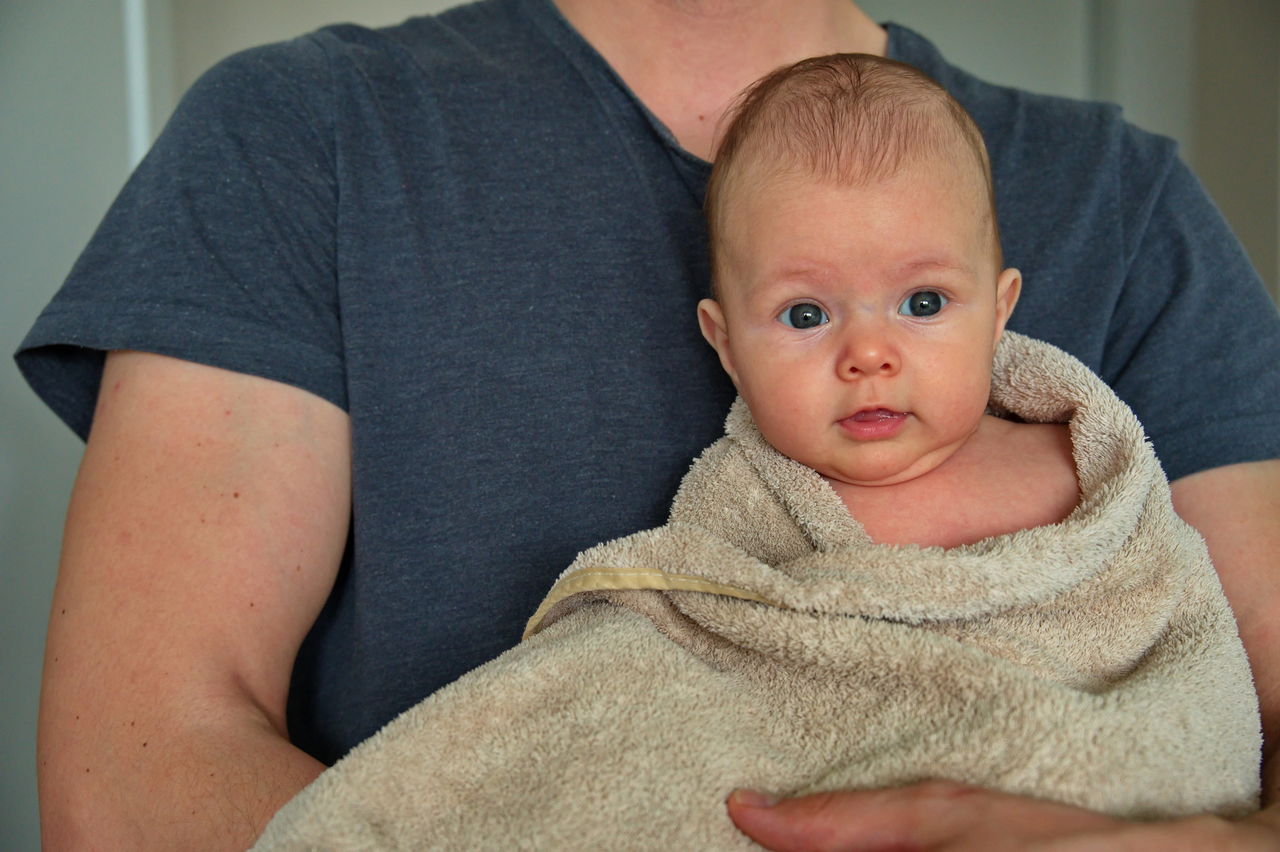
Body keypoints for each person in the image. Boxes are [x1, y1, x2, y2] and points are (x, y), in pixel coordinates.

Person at [15, 1, 1280, 848]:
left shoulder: (1124, 200)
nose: (870, 349)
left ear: (998, 307)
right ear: (721, 332)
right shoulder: (306, 139)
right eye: (799, 314)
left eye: (924, 300)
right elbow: (131, 771)